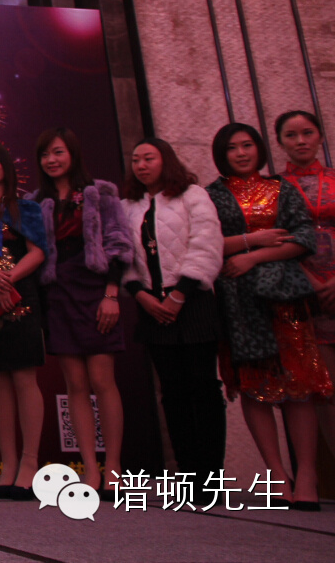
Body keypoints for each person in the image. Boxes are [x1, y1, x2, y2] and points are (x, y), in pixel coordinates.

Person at [206, 122, 330, 510]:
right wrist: (253, 239)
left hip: (286, 298)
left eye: (247, 145)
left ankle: (306, 474)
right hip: (239, 301)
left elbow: (303, 239)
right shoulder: (212, 195)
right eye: (232, 148)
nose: (241, 153)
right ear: (221, 154)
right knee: (254, 386)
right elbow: (206, 244)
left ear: (260, 148)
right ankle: (276, 474)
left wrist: (253, 256)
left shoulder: (281, 188)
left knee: (298, 385)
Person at [119, 138, 225, 484]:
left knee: (203, 389)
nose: (142, 165)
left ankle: (210, 478)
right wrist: (139, 294)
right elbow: (122, 255)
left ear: (166, 160)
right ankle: (186, 473)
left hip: (192, 302)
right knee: (172, 391)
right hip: (152, 307)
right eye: (136, 160)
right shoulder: (127, 206)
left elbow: (206, 245)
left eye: (149, 158)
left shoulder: (192, 195)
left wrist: (180, 295)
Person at [32, 127, 130, 494]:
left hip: (96, 290)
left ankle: (114, 465)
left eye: (58, 152)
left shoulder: (100, 193)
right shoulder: (36, 200)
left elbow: (119, 243)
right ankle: (90, 468)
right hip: (58, 294)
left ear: (73, 153)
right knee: (74, 384)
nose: (52, 160)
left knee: (103, 381)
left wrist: (111, 294)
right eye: (45, 154)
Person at [0, 140, 47, 501]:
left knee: (23, 378)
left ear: (6, 166)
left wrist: (8, 279)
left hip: (21, 297)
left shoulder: (25, 207)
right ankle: (7, 464)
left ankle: (30, 463)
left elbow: (38, 252)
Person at [274, 109, 335, 452]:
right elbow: (275, 242)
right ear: (280, 142)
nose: (300, 141)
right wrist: (309, 279)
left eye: (307, 133)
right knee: (323, 390)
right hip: (302, 294)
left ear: (320, 137)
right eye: (291, 135)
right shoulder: (274, 188)